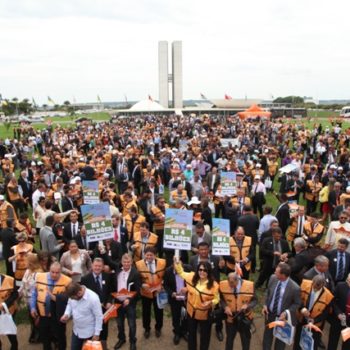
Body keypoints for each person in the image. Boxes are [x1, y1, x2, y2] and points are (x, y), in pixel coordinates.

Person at [174, 257, 219, 350]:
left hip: (205, 315)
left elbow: (217, 299)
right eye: (200, 269)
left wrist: (211, 302)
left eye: (205, 270)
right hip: (191, 313)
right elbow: (181, 273)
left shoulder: (214, 285)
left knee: (205, 336)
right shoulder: (191, 277)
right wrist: (177, 263)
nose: (202, 272)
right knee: (191, 334)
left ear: (209, 272)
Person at [30, 262, 71, 350]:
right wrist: (33, 307)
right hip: (43, 315)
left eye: (57, 272)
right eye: (52, 272)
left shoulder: (67, 281)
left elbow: (70, 299)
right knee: (45, 337)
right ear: (49, 270)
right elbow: (33, 294)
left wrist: (56, 298)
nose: (54, 274)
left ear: (61, 272)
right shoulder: (39, 277)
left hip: (58, 316)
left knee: (60, 338)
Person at [262, 262, 301, 350]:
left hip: (282, 318)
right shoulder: (273, 278)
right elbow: (268, 293)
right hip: (270, 315)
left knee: (280, 340)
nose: (274, 273)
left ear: (283, 275)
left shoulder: (295, 288)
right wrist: (265, 304)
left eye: (277, 272)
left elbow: (297, 303)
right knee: (267, 336)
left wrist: (287, 313)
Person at [80, 258, 112, 350]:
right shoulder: (85, 279)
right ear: (92, 266)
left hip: (105, 309)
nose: (97, 268)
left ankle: (103, 347)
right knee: (92, 331)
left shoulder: (107, 276)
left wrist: (109, 301)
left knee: (104, 331)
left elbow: (110, 291)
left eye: (99, 266)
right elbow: (83, 296)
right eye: (95, 266)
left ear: (103, 267)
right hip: (91, 312)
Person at [294, 275, 333, 350]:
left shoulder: (328, 296)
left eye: (317, 288)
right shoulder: (304, 284)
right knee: (298, 342)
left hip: (316, 325)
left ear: (323, 285)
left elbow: (325, 313)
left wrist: (315, 320)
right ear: (312, 281)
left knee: (312, 345)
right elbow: (297, 299)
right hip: (302, 319)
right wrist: (302, 309)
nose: (315, 289)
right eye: (314, 286)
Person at [60, 282, 103, 350]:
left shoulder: (93, 298)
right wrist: (66, 314)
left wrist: (97, 333)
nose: (72, 299)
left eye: (74, 298)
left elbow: (99, 316)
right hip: (76, 331)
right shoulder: (72, 295)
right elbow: (69, 304)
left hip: (90, 333)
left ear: (79, 293)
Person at [220, 272, 257, 350]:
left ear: (238, 280)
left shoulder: (250, 285)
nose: (230, 285)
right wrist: (225, 307)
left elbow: (255, 301)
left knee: (245, 341)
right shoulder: (223, 285)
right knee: (229, 340)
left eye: (232, 283)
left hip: (244, 318)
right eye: (229, 283)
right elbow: (221, 299)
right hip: (231, 318)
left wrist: (247, 306)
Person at [111, 253, 141, 350]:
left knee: (131, 324)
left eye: (128, 262)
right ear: (121, 262)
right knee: (119, 323)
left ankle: (132, 341)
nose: (126, 264)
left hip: (129, 303)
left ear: (131, 262)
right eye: (124, 262)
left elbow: (137, 290)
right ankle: (121, 339)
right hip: (118, 301)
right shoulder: (117, 271)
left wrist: (129, 299)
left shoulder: (135, 273)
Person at [135, 246, 166, 338]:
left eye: (151, 255)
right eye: (146, 255)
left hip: (158, 291)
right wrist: (142, 284)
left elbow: (166, 276)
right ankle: (147, 329)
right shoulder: (138, 264)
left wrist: (162, 285)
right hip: (146, 292)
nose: (148, 257)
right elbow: (136, 278)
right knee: (146, 311)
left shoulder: (162, 262)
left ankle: (158, 328)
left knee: (159, 311)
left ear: (155, 255)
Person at [18, 252, 43, 344]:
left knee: (37, 319)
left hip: (35, 301)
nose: (25, 264)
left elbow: (37, 289)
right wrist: (18, 293)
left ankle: (40, 336)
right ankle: (35, 335)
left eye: (26, 262)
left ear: (31, 263)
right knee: (32, 319)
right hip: (27, 299)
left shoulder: (39, 274)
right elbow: (23, 284)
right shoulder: (27, 271)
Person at [163, 260, 190, 345]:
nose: (178, 268)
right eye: (176, 266)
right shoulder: (168, 271)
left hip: (186, 298)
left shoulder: (188, 269)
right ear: (172, 265)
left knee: (185, 315)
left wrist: (187, 289)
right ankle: (177, 333)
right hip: (174, 298)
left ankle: (184, 331)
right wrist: (172, 293)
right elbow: (165, 285)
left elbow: (193, 282)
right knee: (176, 316)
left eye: (180, 266)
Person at [327, 273, 350, 350]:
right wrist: (338, 313)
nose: (348, 283)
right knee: (333, 341)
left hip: (349, 323)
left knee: (347, 344)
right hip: (338, 319)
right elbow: (333, 300)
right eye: (348, 280)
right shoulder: (340, 286)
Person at [0, 272, 18, 350]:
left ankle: (14, 346)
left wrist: (5, 304)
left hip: (8, 312)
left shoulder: (10, 279)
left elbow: (15, 294)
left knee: (10, 333)